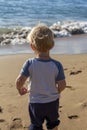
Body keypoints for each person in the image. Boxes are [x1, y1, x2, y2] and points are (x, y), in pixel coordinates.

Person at [15, 24, 66, 130]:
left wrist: (20, 88)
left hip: (36, 103)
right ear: (52, 45)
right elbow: (62, 84)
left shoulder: (29, 63)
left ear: (32, 46)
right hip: (52, 102)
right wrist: (57, 91)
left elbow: (20, 80)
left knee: (36, 125)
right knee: (53, 124)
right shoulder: (57, 65)